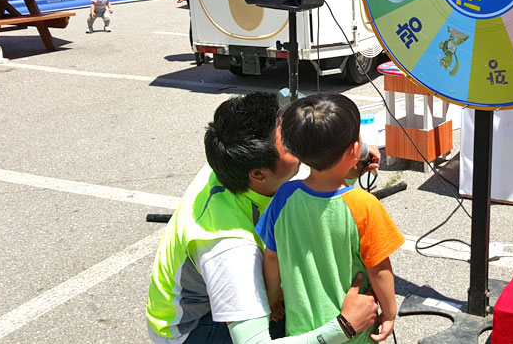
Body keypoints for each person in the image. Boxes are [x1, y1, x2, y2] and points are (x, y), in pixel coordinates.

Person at [146, 92, 381, 344]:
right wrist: (343, 326)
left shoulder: (232, 157)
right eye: (291, 144)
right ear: (259, 174)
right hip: (193, 330)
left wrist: (355, 153)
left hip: (213, 298)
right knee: (318, 313)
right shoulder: (230, 249)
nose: (299, 138)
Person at [256, 94, 404, 343]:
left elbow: (272, 256)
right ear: (355, 150)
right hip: (353, 332)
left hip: (303, 331)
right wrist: (389, 313)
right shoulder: (365, 206)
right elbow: (379, 270)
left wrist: (273, 297)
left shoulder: (283, 197)